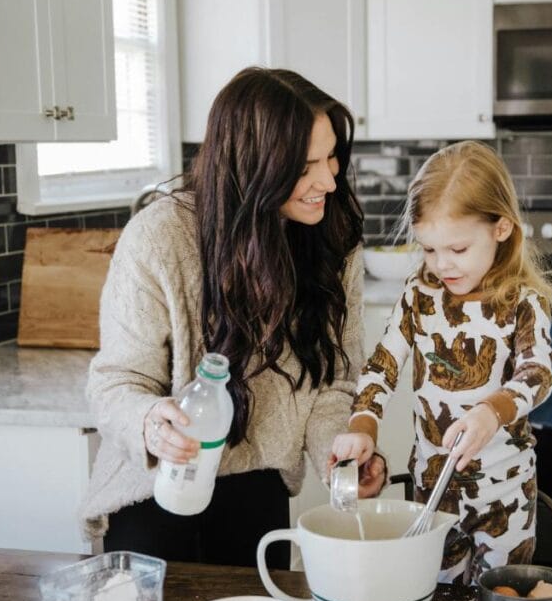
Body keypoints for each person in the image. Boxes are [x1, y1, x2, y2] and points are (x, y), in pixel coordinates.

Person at [80, 68, 387, 568]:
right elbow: (117, 381)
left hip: (258, 484)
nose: (329, 180)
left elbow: (332, 381)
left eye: (331, 156)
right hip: (157, 487)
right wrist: (151, 425)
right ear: (253, 166)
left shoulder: (332, 240)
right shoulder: (160, 238)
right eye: (305, 165)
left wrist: (341, 461)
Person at [330, 140, 552, 585]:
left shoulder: (522, 302)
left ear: (501, 228)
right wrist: (363, 424)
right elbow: (382, 365)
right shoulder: (420, 295)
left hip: (504, 494)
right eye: (429, 250)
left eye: (457, 249)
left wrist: (492, 412)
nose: (441, 265)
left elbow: (538, 374)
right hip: (430, 493)